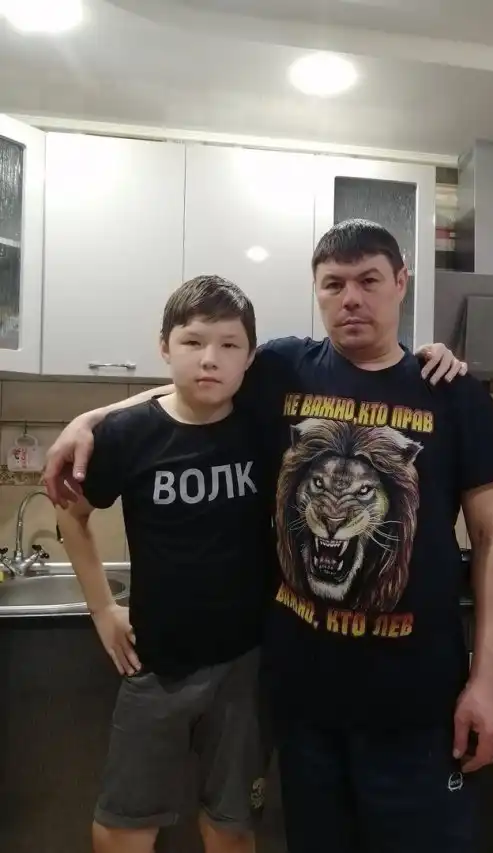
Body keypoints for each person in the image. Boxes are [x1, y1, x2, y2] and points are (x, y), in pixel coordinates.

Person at [45, 219, 493, 853]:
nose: (352, 298)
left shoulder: (451, 391)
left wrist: (484, 682)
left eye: (370, 280)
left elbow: (492, 537)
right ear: (317, 291)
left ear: (401, 283)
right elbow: (200, 379)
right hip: (300, 695)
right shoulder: (285, 368)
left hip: (414, 701)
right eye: (334, 284)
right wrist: (92, 417)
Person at [56, 275, 271, 853]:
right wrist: (102, 608)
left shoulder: (261, 425)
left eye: (229, 344)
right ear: (164, 347)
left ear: (250, 356)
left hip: (245, 666)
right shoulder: (130, 434)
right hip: (155, 666)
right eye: (192, 341)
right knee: (122, 826)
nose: (210, 358)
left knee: (232, 825)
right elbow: (71, 515)